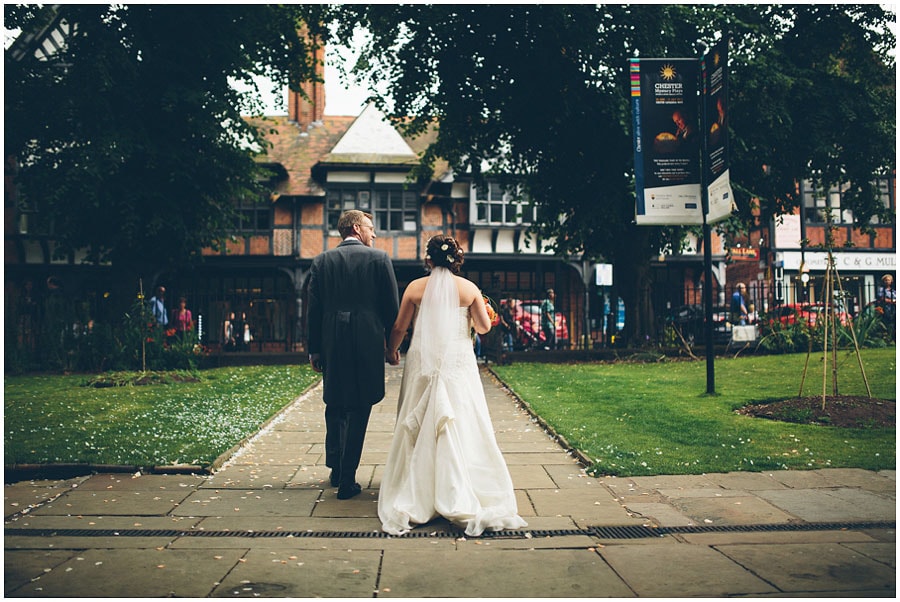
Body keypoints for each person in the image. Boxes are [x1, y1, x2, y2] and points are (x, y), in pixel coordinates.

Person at [380, 235, 527, 536]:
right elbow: (485, 328)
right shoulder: (469, 289)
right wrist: (484, 313)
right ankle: (459, 483)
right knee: (462, 415)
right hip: (457, 361)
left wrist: (391, 350)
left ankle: (417, 485)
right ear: (457, 259)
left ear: (429, 259)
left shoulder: (415, 288)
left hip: (423, 359)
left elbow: (400, 327)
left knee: (419, 417)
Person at [307, 210, 399, 500]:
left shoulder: (321, 261)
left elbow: (314, 310)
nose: (374, 234)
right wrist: (391, 345)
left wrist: (314, 348)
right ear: (357, 228)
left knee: (335, 403)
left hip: (332, 340)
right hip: (367, 341)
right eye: (371, 228)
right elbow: (391, 308)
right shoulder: (380, 259)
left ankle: (335, 466)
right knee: (360, 406)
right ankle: (347, 479)